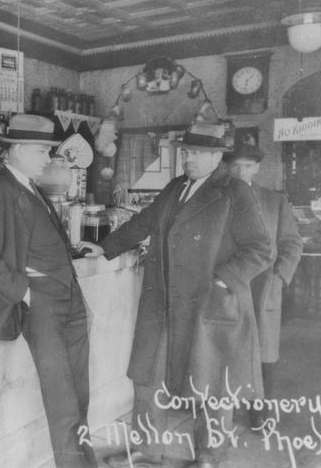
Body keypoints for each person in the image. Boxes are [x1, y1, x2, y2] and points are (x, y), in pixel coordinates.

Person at [80, 123, 271, 468]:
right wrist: (105, 246)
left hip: (208, 305)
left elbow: (260, 249)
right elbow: (144, 222)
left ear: (216, 156)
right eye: (186, 151)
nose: (189, 158)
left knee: (211, 387)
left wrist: (222, 282)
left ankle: (209, 457)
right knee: (147, 377)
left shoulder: (235, 192)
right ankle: (145, 451)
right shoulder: (175, 188)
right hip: (164, 302)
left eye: (197, 152)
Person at [0, 114, 96, 468]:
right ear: (18, 149)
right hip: (43, 304)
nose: (48, 158)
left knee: (79, 398)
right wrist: (26, 293)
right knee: (63, 405)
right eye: (42, 151)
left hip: (69, 299)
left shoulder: (29, 186)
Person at [224, 143, 302, 426]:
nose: (240, 170)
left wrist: (279, 277)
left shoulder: (274, 201)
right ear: (227, 168)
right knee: (227, 347)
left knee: (264, 353)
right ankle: (224, 413)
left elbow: (292, 243)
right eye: (235, 165)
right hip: (228, 285)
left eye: (246, 165)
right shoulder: (218, 198)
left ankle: (260, 414)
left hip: (263, 287)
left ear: (257, 168)